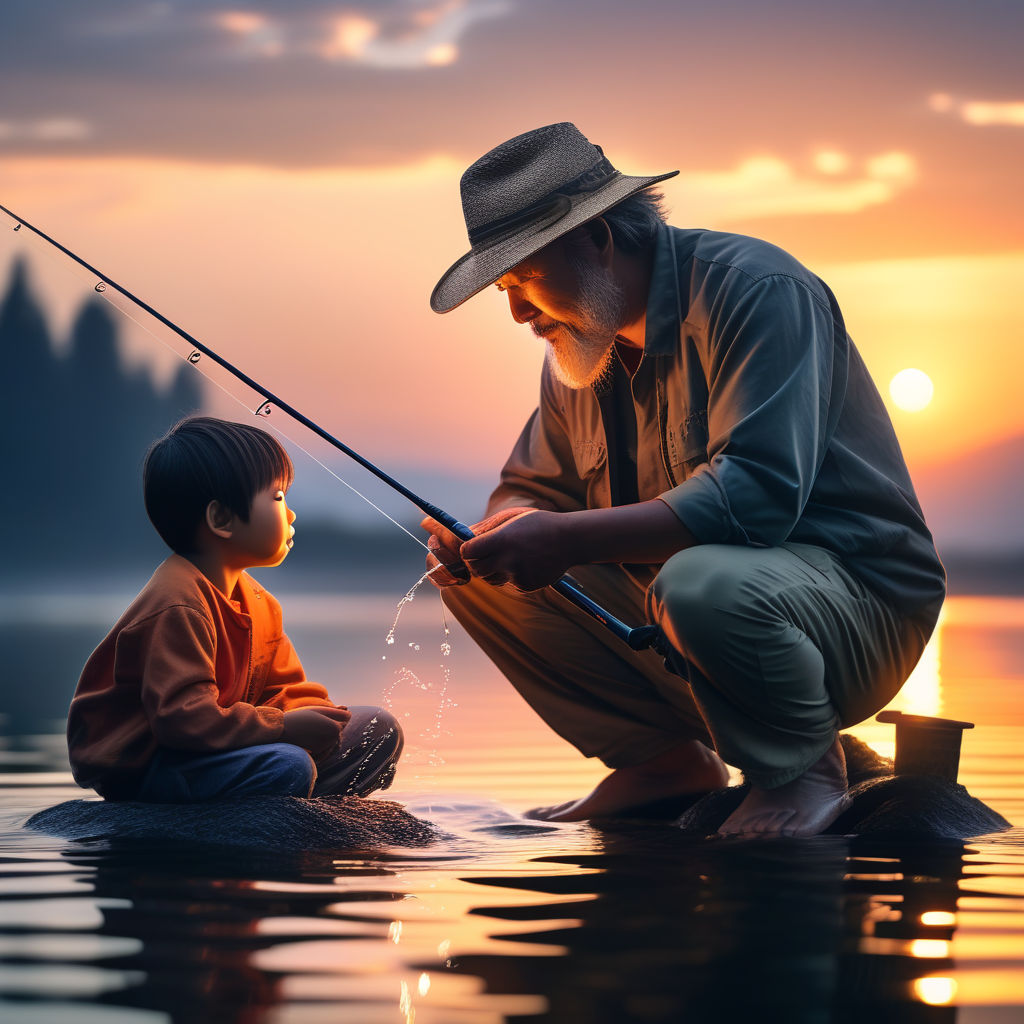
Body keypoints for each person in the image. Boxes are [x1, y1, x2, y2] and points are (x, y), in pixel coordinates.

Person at [421, 122, 945, 837]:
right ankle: (667, 764)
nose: (517, 312)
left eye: (526, 280)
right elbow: (533, 488)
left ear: (596, 239)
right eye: (505, 288)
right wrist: (495, 532)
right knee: (491, 578)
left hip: (854, 606)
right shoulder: (579, 348)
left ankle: (802, 767)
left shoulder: (757, 290)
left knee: (699, 581)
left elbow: (754, 498)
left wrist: (565, 539)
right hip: (694, 617)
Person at [67, 416, 402, 802]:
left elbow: (282, 689)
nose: (290, 514)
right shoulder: (178, 605)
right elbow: (183, 721)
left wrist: (318, 716)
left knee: (379, 730)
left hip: (223, 748)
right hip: (152, 766)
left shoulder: (259, 603)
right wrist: (283, 727)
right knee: (288, 766)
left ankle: (312, 810)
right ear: (221, 519)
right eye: (277, 497)